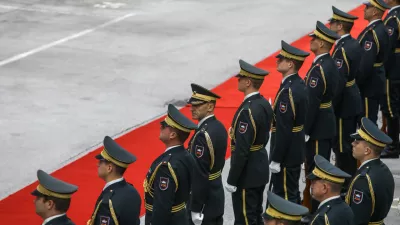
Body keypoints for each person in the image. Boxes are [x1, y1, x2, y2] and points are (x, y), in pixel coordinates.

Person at [226, 59, 273, 225]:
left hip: (247, 174)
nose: (237, 80)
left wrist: (232, 179)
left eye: (240, 78)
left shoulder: (248, 110)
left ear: (248, 82)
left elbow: (242, 149)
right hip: (259, 167)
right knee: (255, 215)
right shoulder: (263, 104)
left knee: (245, 219)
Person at [302, 21, 341, 213]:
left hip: (317, 127)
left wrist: (305, 130)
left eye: (315, 39)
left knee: (317, 170)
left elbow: (312, 103)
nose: (312, 41)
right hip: (324, 122)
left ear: (323, 43)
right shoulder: (327, 63)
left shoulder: (319, 69)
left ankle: (317, 210)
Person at [269, 40, 310, 204]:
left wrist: (277, 158)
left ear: (291, 64)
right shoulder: (297, 84)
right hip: (295, 147)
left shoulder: (289, 91)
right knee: (290, 191)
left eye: (282, 59)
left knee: (285, 195)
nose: (277, 61)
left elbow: (284, 128)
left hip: (287, 152)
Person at [144, 104, 197, 225]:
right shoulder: (186, 155)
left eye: (163, 126)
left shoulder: (166, 166)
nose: (160, 127)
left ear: (172, 135)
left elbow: (162, 207)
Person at [329, 6, 363, 188]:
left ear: (340, 25)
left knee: (343, 147)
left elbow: (339, 81)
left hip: (344, 104)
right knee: (346, 145)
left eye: (333, 22)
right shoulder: (352, 43)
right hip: (352, 97)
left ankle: (346, 185)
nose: (331, 25)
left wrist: (330, 105)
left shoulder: (341, 49)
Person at [187, 83, 228, 225]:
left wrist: (196, 207)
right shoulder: (219, 127)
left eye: (198, 105)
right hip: (216, 192)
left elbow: (200, 173)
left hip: (204, 200)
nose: (192, 109)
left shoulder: (202, 135)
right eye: (192, 105)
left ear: (210, 106)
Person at [346, 117, 395, 225]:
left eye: (357, 142)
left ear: (367, 151)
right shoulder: (384, 169)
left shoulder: (363, 180)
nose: (353, 144)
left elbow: (358, 219)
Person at [88, 136, 141, 225]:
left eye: (101, 162)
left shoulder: (108, 203)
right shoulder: (132, 191)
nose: (98, 164)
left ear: (109, 168)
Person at [356, 0, 390, 125]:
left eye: (367, 7)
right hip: (376, 78)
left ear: (375, 11)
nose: (364, 10)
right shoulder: (381, 28)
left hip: (369, 83)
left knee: (367, 120)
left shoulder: (372, 33)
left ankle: (369, 144)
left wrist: (356, 81)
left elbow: (366, 63)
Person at [302, 155, 354, 225]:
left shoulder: (322, 218)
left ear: (324, 188)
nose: (311, 186)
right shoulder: (346, 208)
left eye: (314, 183)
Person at [381, 0, 400, 158]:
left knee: (391, 106)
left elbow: (388, 44)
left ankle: (393, 146)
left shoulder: (393, 18)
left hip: (393, 66)